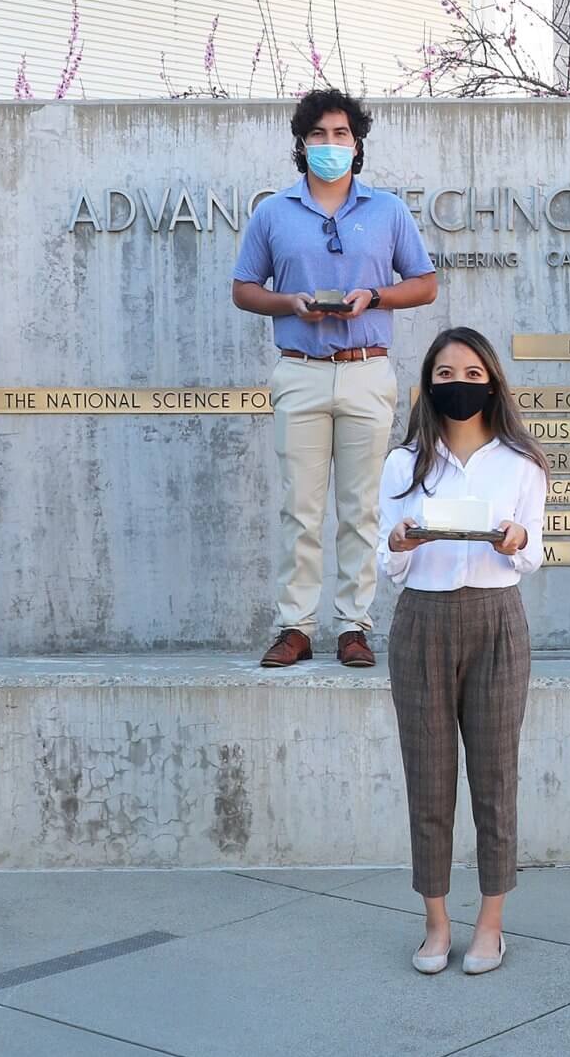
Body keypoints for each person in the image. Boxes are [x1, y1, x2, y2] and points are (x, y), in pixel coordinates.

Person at [233, 88, 437, 670]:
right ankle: (295, 625)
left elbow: (424, 283)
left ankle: (354, 625)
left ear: (357, 143)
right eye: (318, 135)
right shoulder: (273, 212)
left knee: (361, 507)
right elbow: (244, 288)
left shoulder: (388, 210)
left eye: (341, 134)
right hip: (299, 372)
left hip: (366, 370)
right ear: (302, 144)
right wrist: (289, 303)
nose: (330, 145)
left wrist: (373, 296)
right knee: (300, 507)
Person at [377, 328, 546, 975]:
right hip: (422, 620)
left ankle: (491, 925)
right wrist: (398, 539)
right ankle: (437, 922)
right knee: (429, 781)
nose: (460, 382)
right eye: (446, 371)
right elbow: (385, 563)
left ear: (493, 382)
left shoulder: (520, 462)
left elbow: (532, 554)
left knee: (495, 779)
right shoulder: (404, 463)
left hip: (496, 620)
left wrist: (515, 538)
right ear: (428, 384)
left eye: (473, 372)